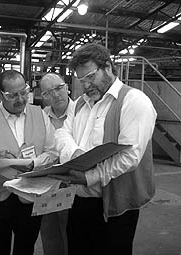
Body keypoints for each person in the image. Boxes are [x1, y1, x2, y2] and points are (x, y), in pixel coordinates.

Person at [54, 43, 157, 255]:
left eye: (90, 76)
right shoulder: (81, 104)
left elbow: (129, 156)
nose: (86, 85)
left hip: (116, 205)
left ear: (108, 67)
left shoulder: (134, 101)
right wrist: (75, 154)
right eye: (81, 80)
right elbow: (62, 134)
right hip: (80, 198)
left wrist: (90, 175)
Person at [0, 70, 58, 255]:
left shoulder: (40, 115)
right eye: (12, 95)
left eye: (24, 92)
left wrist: (35, 163)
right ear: (0, 94)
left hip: (30, 196)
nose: (20, 99)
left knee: (26, 247)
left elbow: (52, 151)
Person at [39, 72, 74, 255]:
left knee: (74, 233)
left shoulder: (82, 113)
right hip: (48, 184)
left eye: (59, 88)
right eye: (48, 92)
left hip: (75, 183)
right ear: (43, 96)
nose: (56, 94)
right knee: (50, 233)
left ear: (67, 87)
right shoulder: (40, 118)